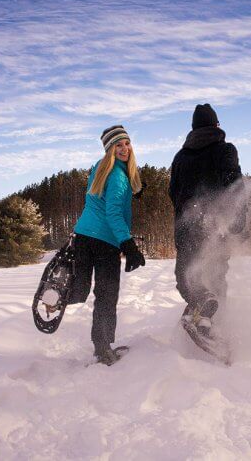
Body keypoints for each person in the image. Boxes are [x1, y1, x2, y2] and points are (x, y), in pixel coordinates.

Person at [69, 124, 146, 365]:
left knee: (81, 289)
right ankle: (103, 350)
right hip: (105, 242)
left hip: (82, 236)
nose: (125, 149)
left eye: (126, 143)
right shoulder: (118, 177)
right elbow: (113, 213)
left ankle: (60, 294)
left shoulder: (99, 169)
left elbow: (105, 198)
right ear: (110, 149)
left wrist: (133, 191)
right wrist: (128, 244)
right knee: (106, 295)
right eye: (118, 145)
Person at [168, 104, 246, 336]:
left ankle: (203, 304)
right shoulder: (225, 150)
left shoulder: (180, 156)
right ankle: (213, 318)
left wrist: (185, 212)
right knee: (216, 275)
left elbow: (173, 192)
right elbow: (235, 185)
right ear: (216, 125)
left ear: (193, 128)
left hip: (187, 226)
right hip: (216, 226)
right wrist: (238, 220)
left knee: (185, 277)